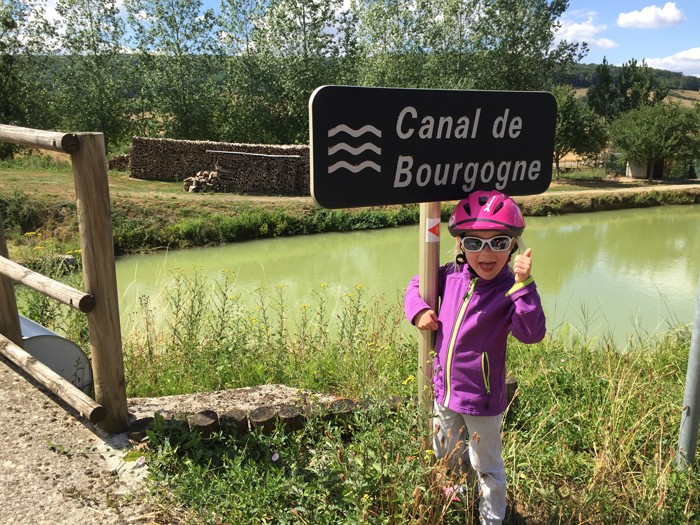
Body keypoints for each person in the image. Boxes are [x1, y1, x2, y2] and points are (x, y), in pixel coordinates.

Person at [404, 190, 546, 525]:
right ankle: (458, 504)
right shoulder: (450, 275)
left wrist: (524, 285)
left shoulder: (510, 288)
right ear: (460, 244)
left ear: (512, 246)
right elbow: (415, 284)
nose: (486, 253)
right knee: (446, 454)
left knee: (487, 464)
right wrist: (419, 310)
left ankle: (491, 518)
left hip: (482, 400)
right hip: (444, 392)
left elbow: (531, 334)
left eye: (498, 242)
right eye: (474, 242)